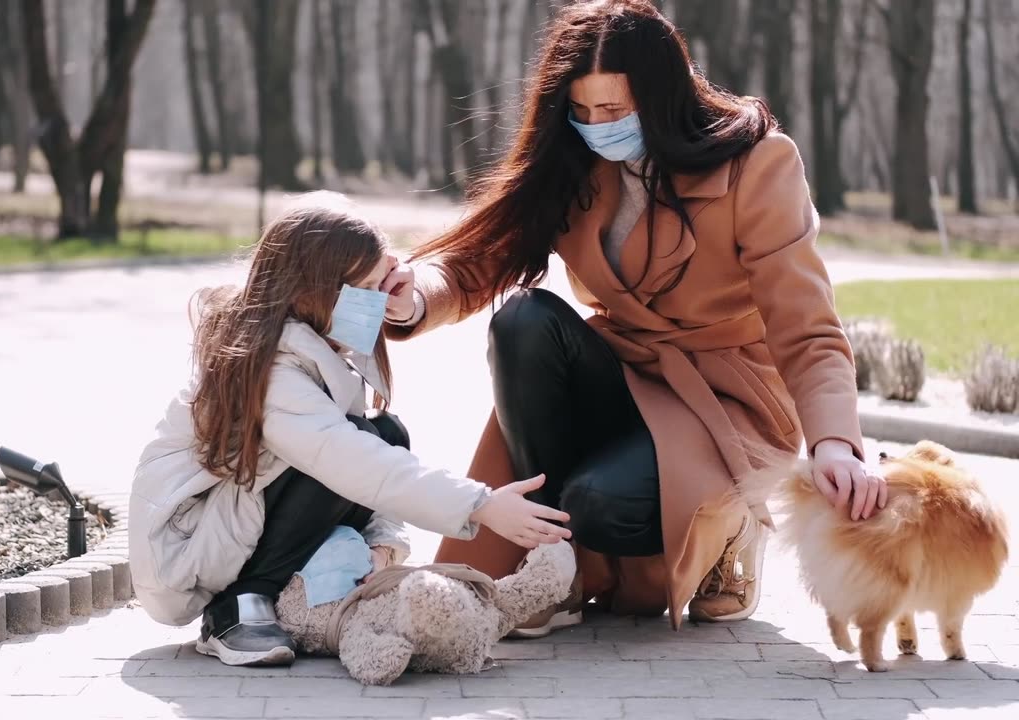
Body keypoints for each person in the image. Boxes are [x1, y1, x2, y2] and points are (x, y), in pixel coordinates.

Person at [380, 0, 888, 635]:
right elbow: (479, 262)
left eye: (615, 111)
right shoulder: (571, 163)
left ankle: (727, 541)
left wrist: (837, 444)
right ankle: (553, 567)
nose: (597, 127)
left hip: (724, 402)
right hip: (623, 373)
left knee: (599, 502)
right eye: (583, 111)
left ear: (662, 97)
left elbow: (806, 325)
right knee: (523, 321)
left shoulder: (759, 165)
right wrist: (418, 294)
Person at [128, 193, 571, 667]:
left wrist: (384, 545)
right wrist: (481, 506)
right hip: (190, 549)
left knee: (384, 432)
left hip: (242, 512)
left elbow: (369, 456)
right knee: (363, 444)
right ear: (314, 289)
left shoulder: (313, 336)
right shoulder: (272, 369)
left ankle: (295, 592)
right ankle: (237, 606)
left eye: (382, 282)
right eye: (365, 288)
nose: (376, 300)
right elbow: (353, 463)